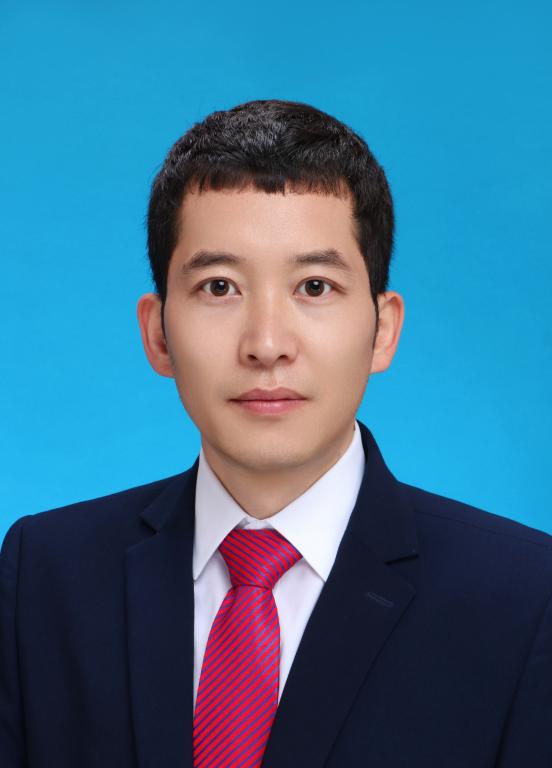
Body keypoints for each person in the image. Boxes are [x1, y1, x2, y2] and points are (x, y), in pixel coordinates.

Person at [1, 99, 551, 768]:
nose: (266, 344)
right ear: (158, 333)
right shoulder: (45, 575)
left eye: (314, 286)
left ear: (383, 330)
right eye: (219, 287)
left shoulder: (524, 598)